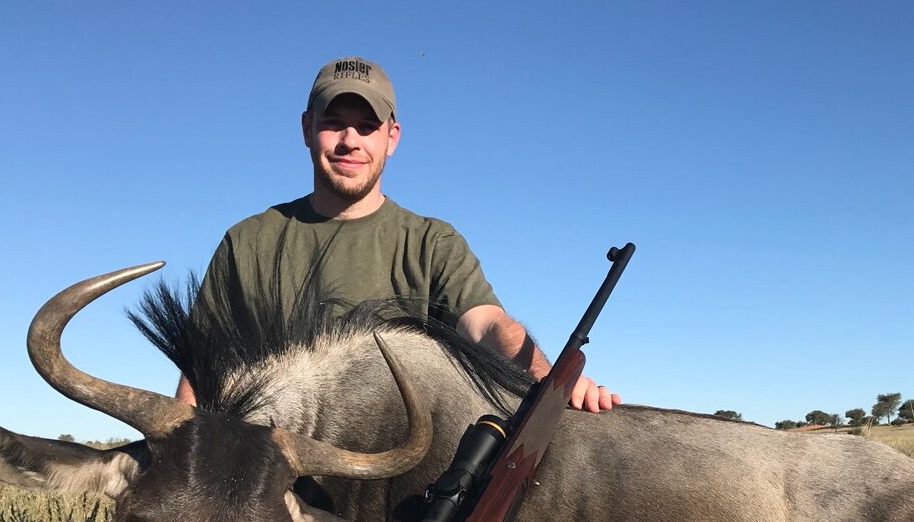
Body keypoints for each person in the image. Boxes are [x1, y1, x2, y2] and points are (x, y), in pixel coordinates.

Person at [175, 56, 618, 412]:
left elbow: (487, 325)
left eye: (368, 127)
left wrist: (550, 379)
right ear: (307, 129)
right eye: (334, 123)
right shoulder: (249, 241)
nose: (351, 140)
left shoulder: (432, 243)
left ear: (392, 138)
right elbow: (201, 372)